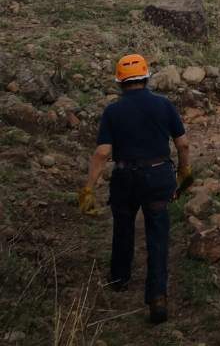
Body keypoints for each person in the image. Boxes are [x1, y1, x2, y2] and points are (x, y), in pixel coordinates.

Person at [78, 54, 193, 325]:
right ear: (146, 77)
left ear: (120, 82)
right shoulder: (164, 105)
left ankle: (119, 278)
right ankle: (157, 298)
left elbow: (102, 152)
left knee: (123, 225)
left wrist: (88, 188)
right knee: (157, 235)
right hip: (157, 177)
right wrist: (184, 172)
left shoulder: (113, 111)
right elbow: (183, 144)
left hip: (125, 178)